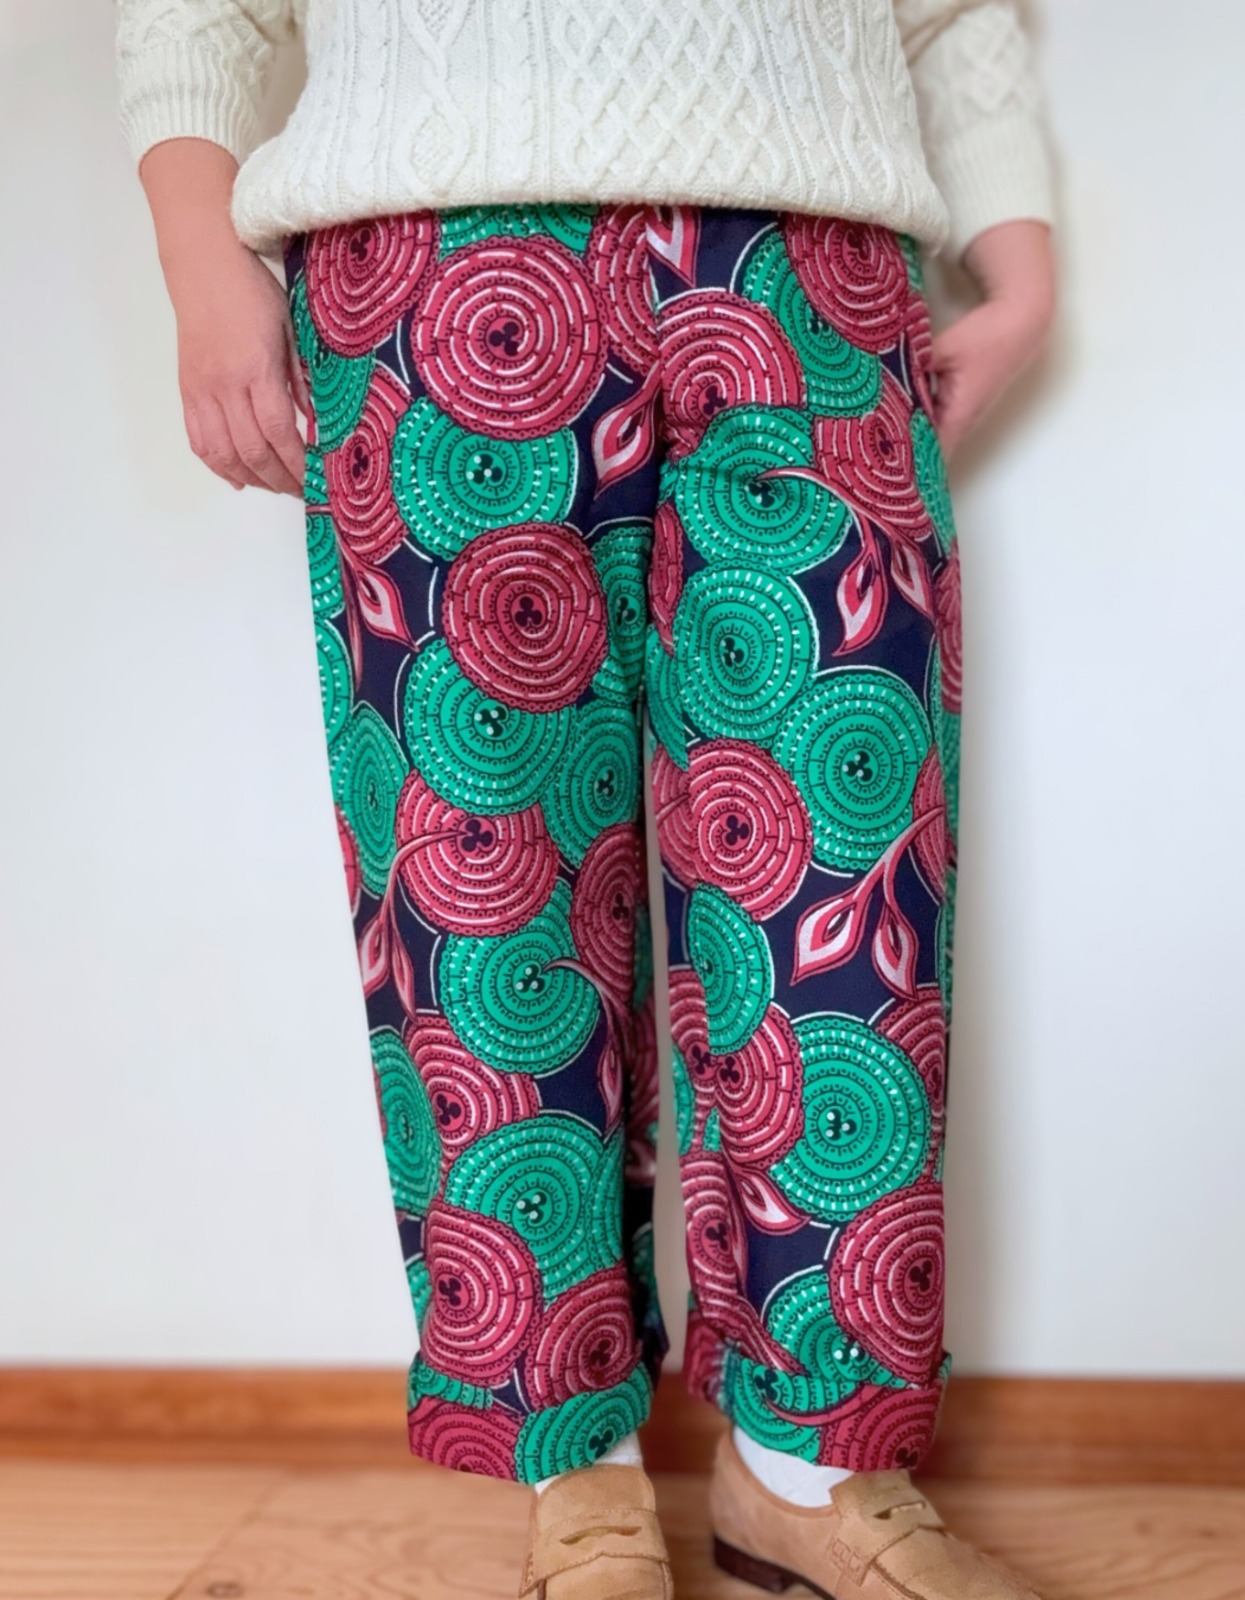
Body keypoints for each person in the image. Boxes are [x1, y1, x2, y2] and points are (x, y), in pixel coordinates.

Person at [117, 3, 1056, 1596]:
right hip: (431, 262)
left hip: (813, 276)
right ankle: (577, 1474)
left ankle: (813, 1471)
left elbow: (955, 11)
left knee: (843, 872)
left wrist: (1016, 266)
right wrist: (198, 253)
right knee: (486, 878)